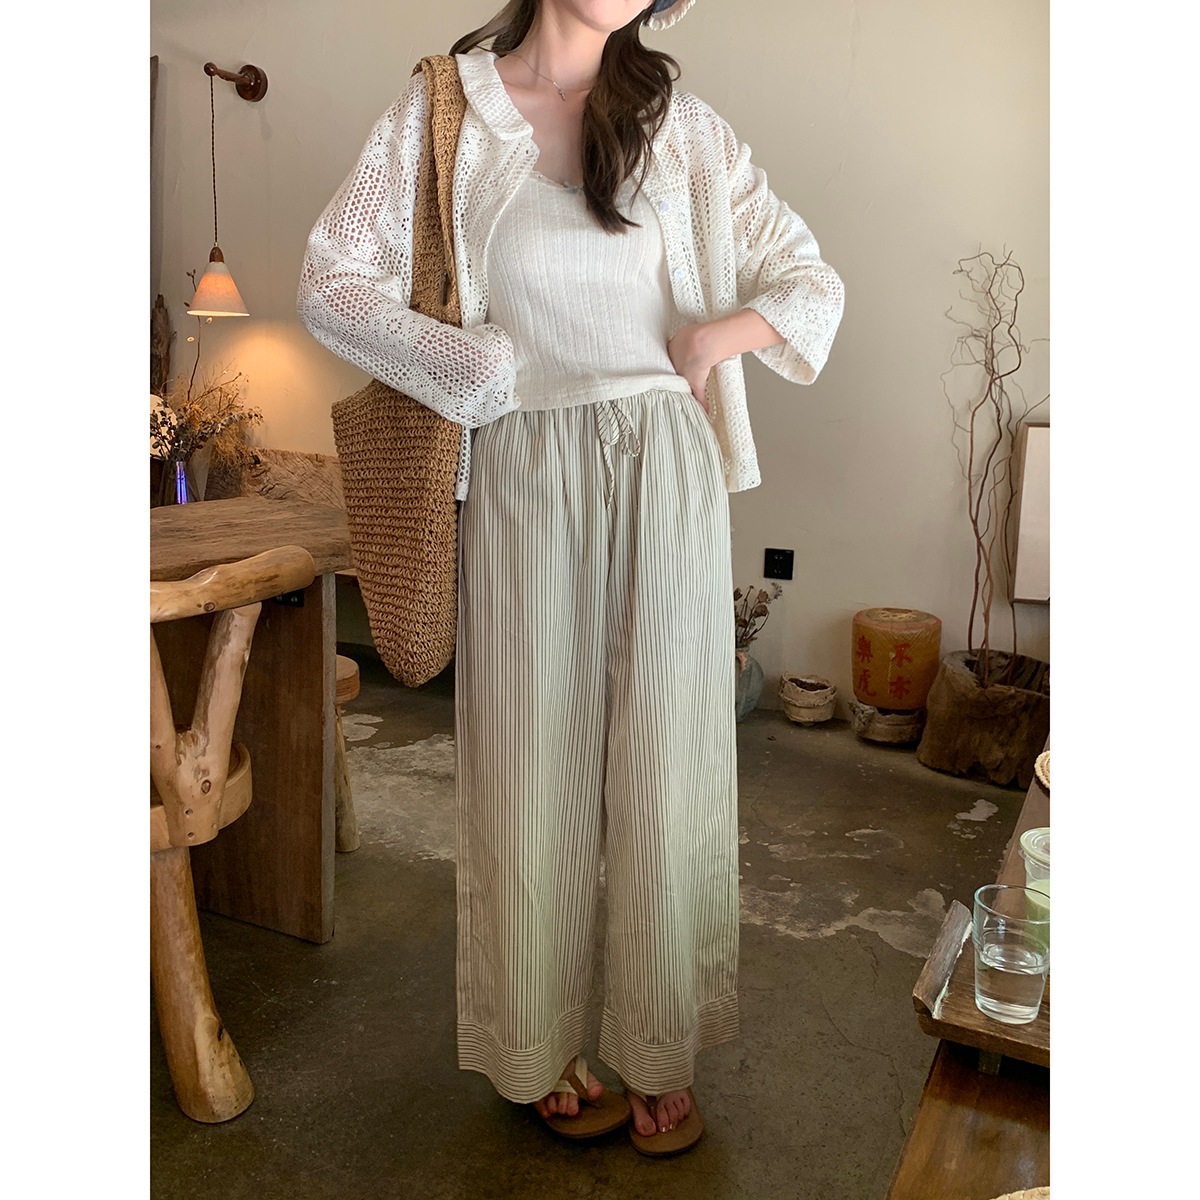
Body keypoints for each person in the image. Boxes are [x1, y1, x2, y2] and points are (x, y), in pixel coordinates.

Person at [298, 0, 844, 1156]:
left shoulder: (679, 126)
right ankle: (536, 1043)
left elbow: (809, 278)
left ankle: (658, 1047)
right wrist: (471, 366)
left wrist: (715, 339)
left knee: (667, 761)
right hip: (521, 469)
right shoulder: (443, 110)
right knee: (526, 764)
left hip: (664, 467)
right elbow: (332, 281)